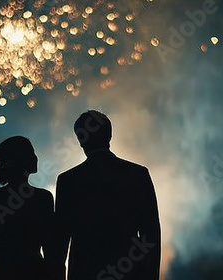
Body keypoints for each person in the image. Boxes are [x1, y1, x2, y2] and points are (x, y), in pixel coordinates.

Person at [54, 110, 161, 280]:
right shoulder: (138, 174)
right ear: (109, 135)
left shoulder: (68, 180)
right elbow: (151, 234)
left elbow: (60, 243)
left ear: (81, 140)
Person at [0, 136, 54, 280]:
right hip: (35, 273)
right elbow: (50, 247)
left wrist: (9, 248)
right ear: (23, 160)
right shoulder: (43, 198)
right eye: (31, 152)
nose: (35, 157)